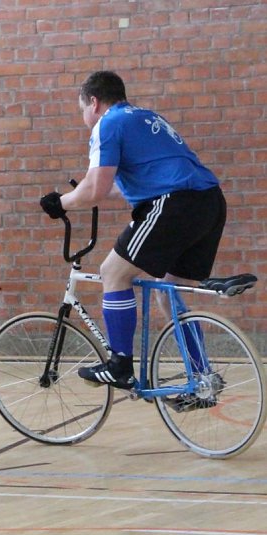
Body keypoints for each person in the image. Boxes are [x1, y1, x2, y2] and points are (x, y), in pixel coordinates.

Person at [40, 70, 226, 396]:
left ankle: (119, 365)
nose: (84, 117)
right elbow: (112, 183)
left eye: (82, 109)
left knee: (113, 272)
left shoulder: (107, 123)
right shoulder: (143, 117)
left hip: (173, 204)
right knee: (169, 291)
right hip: (209, 203)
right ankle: (203, 381)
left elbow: (96, 189)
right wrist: (79, 193)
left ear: (94, 103)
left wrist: (60, 203)